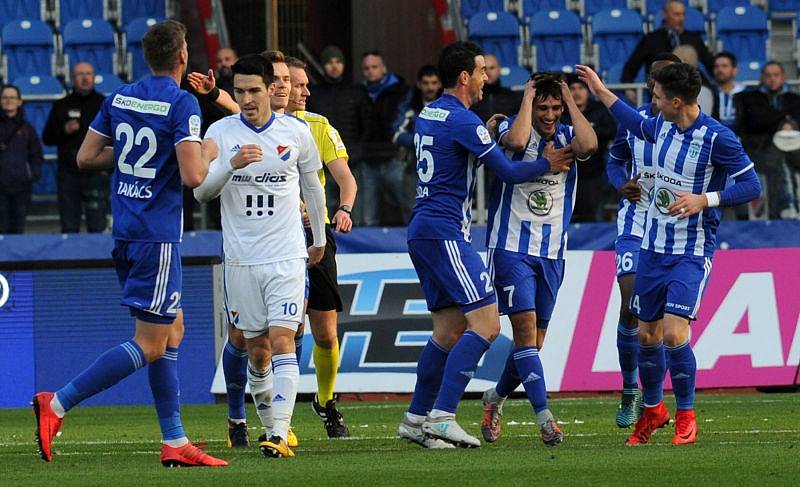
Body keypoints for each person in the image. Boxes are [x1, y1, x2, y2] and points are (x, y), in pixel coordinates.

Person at [31, 20, 227, 467]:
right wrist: (212, 151)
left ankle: (175, 441)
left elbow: (85, 157)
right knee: (151, 342)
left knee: (172, 329)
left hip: (125, 229)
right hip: (156, 235)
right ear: (182, 57)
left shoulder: (119, 96)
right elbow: (195, 176)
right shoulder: (182, 103)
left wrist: (137, 160)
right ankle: (57, 403)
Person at [398, 41, 573, 449]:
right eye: (480, 70)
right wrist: (548, 163)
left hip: (423, 229)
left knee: (448, 330)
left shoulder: (432, 111)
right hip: (444, 233)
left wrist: (488, 133)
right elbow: (509, 172)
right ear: (464, 77)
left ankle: (414, 419)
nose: (485, 77)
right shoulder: (464, 120)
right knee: (488, 325)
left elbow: (460, 152)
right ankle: (443, 416)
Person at [576, 62, 761, 445]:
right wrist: (599, 88)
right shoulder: (661, 125)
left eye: (657, 97)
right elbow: (630, 119)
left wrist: (704, 200)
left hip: (691, 251)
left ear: (677, 101)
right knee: (646, 336)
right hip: (652, 248)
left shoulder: (717, 138)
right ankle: (653, 410)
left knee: (675, 334)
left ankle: (687, 416)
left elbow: (751, 186)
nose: (652, 103)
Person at [194, 53, 327, 459]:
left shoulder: (297, 133)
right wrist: (230, 166)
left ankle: (280, 431)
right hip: (240, 260)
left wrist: (318, 237)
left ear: (271, 89)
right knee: (256, 349)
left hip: (286, 254)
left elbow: (313, 188)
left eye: (254, 90)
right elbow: (201, 191)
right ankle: (270, 427)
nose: (247, 98)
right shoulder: (220, 131)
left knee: (284, 339)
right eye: (240, 91)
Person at [480, 73, 597, 447]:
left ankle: (494, 399)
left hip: (552, 253)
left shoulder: (567, 136)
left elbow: (590, 144)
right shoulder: (514, 132)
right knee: (526, 335)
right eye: (543, 106)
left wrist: (569, 97)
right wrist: (527, 97)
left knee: (535, 343)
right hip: (511, 248)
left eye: (555, 107)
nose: (549, 114)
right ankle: (546, 419)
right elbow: (514, 140)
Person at [606, 52, 682, 429]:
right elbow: (614, 158)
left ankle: (655, 401)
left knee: (665, 320)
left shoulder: (691, 127)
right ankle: (629, 388)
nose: (658, 83)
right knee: (631, 302)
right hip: (636, 225)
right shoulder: (634, 120)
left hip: (675, 230)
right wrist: (621, 184)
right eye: (655, 77)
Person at [286, 55, 357, 438]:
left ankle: (326, 401)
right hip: (278, 238)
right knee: (288, 329)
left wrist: (344, 208)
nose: (305, 91)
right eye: (298, 84)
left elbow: (346, 179)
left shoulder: (319, 126)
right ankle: (280, 413)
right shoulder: (261, 129)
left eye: (305, 84)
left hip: (317, 234)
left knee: (326, 333)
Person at [42, 62, 108, 233]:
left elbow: (115, 137)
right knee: (69, 225)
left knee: (98, 225)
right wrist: (64, 130)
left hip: (96, 173)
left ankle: (100, 260)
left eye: (88, 74)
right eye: (80, 74)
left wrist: (107, 169)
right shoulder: (61, 105)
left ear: (94, 78)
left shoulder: (104, 104)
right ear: (72, 79)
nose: (85, 78)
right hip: (69, 173)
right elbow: (47, 138)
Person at [306, 45, 371, 216]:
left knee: (358, 215)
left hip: (353, 163)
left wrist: (358, 153)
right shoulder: (313, 93)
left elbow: (367, 126)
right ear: (323, 65)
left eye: (338, 62)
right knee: (322, 214)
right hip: (321, 165)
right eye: (329, 62)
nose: (334, 66)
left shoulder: (356, 92)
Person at [181, 47, 238, 231]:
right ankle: (189, 232)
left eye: (227, 59)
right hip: (210, 147)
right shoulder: (208, 88)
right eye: (220, 60)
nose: (224, 64)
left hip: (236, 147)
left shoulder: (240, 88)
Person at [734, 61, 800, 219]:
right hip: (761, 147)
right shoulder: (750, 98)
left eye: (776, 75)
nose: (772, 79)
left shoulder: (795, 99)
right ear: (762, 78)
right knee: (773, 161)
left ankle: (794, 206)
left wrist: (787, 123)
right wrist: (785, 121)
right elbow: (757, 120)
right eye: (768, 75)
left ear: (783, 77)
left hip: (794, 148)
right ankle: (775, 211)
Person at [359, 51, 410, 226]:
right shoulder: (359, 93)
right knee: (368, 218)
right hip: (368, 160)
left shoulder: (401, 92)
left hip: (394, 159)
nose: (370, 71)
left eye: (374, 67)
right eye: (366, 68)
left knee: (408, 209)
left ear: (384, 68)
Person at [561, 74, 617, 222]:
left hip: (593, 175)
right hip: (565, 174)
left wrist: (588, 133)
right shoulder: (560, 111)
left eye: (581, 88)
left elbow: (612, 131)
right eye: (572, 88)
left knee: (593, 219)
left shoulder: (599, 110)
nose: (577, 92)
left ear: (587, 91)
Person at [622, 1, 713, 84]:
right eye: (677, 14)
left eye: (683, 14)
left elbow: (709, 63)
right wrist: (629, 89)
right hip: (661, 91)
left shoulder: (694, 38)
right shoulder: (651, 39)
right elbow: (632, 66)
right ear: (665, 15)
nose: (681, 18)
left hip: (690, 90)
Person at [393, 65, 442, 209]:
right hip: (414, 167)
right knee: (413, 211)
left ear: (440, 84)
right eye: (426, 83)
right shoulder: (410, 105)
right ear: (419, 84)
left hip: (442, 168)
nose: (430, 88)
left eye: (434, 83)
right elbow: (396, 135)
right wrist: (423, 140)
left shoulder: (447, 105)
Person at [0, 84, 43, 234]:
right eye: (5, 97)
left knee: (18, 229)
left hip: (22, 187)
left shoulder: (27, 128)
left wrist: (32, 174)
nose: (8, 101)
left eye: (12, 97)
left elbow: (36, 154)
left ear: (19, 101)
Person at [470, 54, 523, 123]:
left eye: (492, 68)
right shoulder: (472, 99)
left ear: (499, 70)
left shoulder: (514, 98)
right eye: (484, 69)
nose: (488, 72)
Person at [711, 52, 745, 132]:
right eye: (716, 67)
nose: (720, 70)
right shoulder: (710, 94)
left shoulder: (746, 94)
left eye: (724, 66)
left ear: (734, 70)